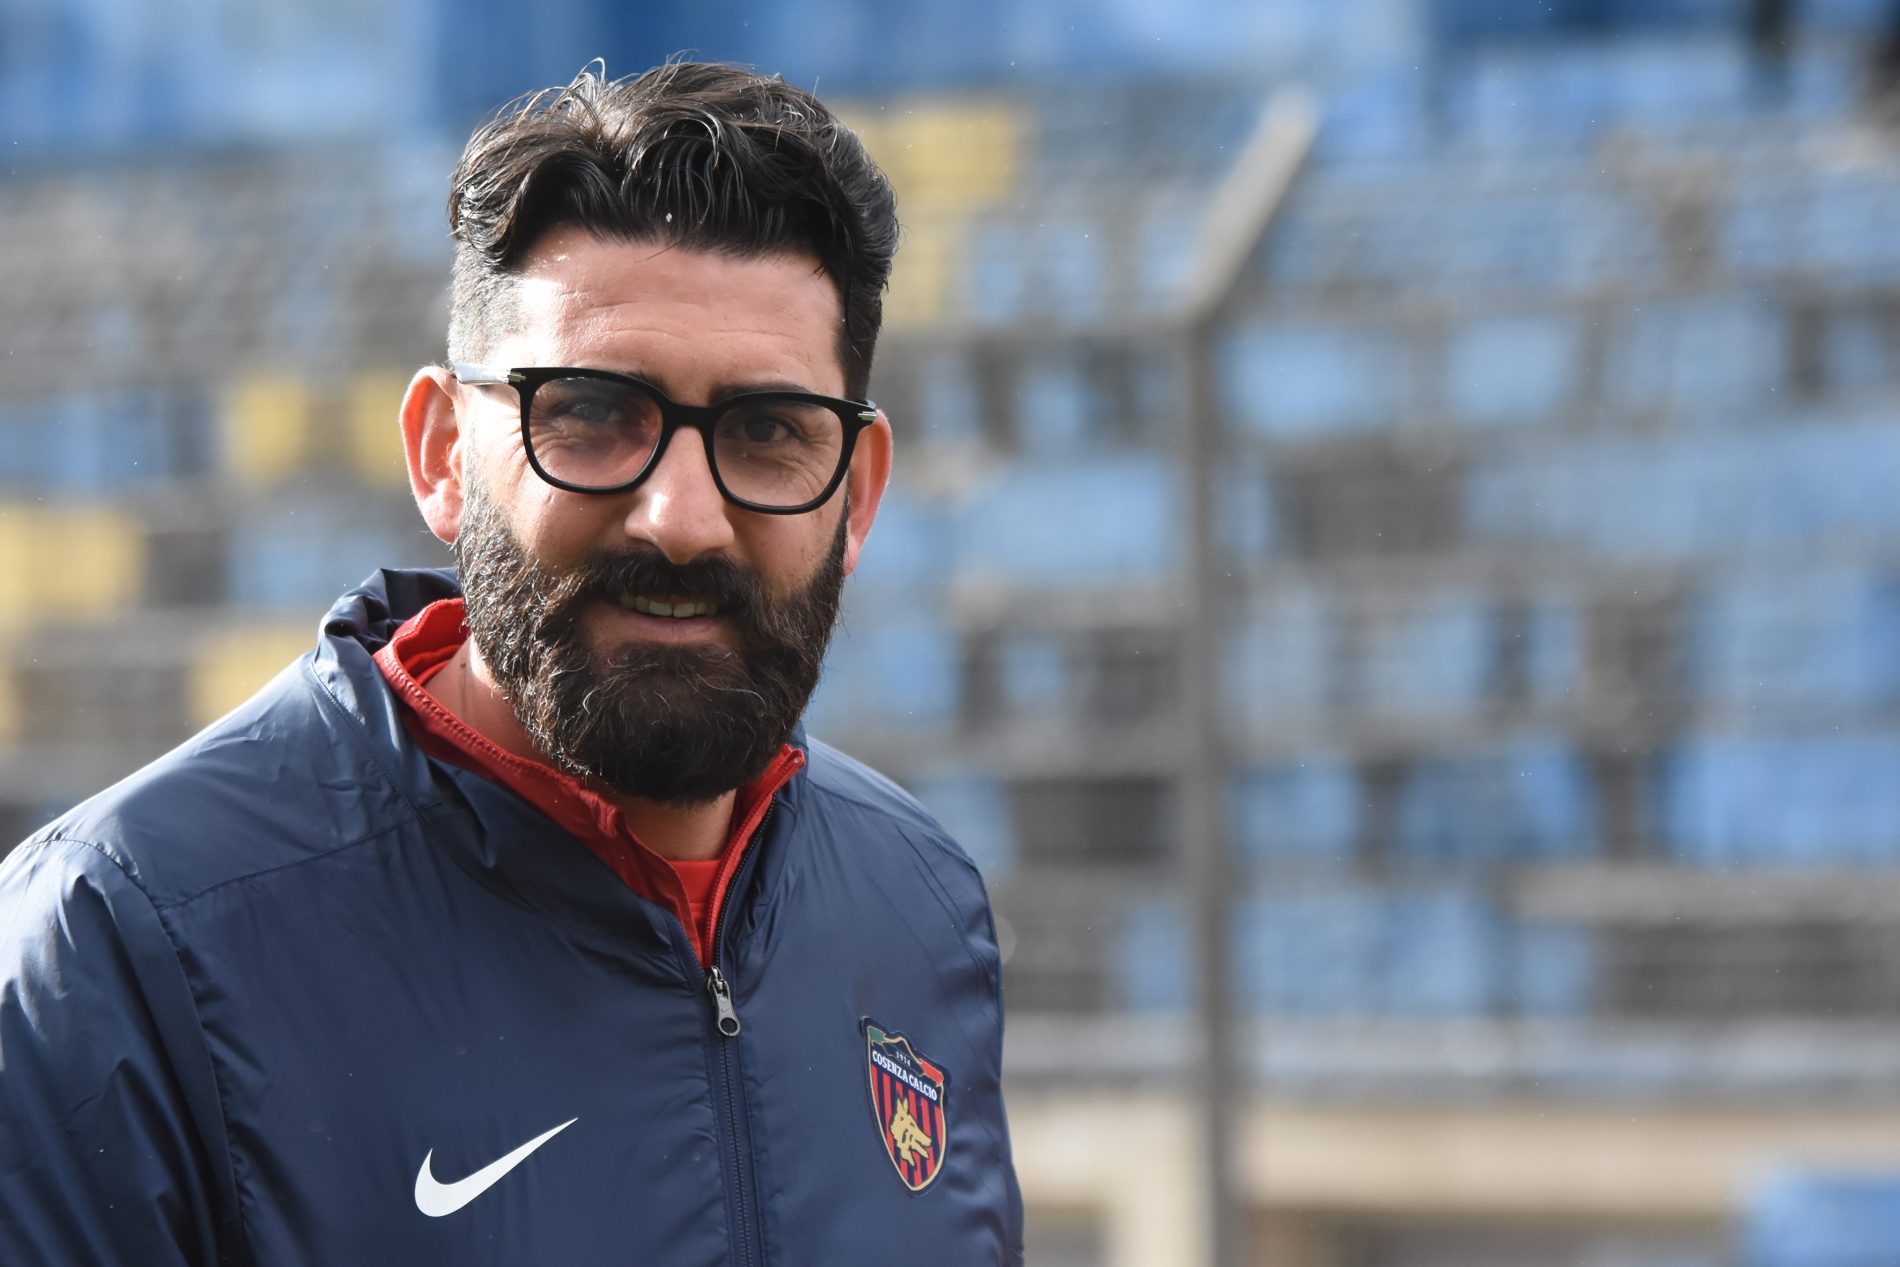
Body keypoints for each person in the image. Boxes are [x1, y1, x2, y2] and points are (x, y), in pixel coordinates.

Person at [0, 62, 1023, 1265]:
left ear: (857, 493)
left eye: (766, 431)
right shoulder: (124, 945)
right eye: (591, 413)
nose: (681, 520)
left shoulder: (919, 901)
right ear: (442, 453)